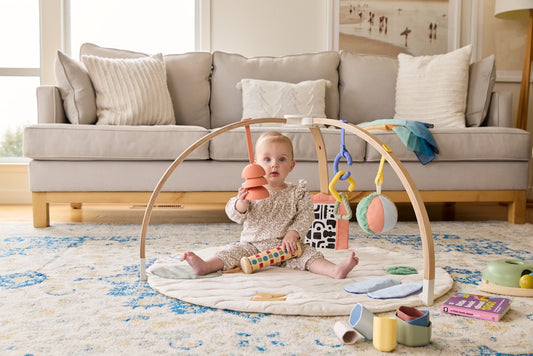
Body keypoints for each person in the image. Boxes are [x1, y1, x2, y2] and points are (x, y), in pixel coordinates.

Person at [184, 131, 358, 279]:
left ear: (291, 165)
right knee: (231, 252)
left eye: (281, 159)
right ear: (256, 165)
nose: (274, 164)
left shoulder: (298, 192)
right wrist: (241, 203)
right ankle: (206, 266)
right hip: (252, 246)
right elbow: (234, 214)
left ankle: (335, 270)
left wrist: (293, 233)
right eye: (267, 159)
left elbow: (306, 215)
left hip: (287, 247)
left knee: (310, 255)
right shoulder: (251, 190)